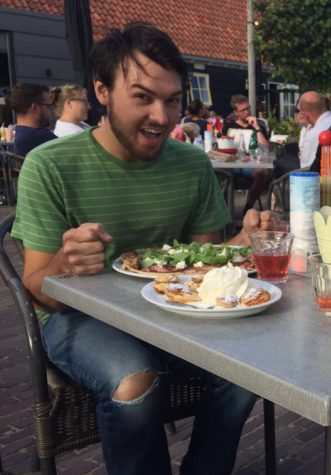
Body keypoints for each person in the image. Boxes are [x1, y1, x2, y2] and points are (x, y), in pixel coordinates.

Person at [11, 23, 269, 475]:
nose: (161, 116)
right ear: (102, 91)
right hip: (78, 318)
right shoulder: (49, 165)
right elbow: (38, 290)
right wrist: (63, 264)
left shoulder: (190, 162)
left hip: (173, 310)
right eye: (143, 97)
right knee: (137, 382)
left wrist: (240, 245)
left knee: (248, 372)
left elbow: (198, 265)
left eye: (172, 100)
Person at [223, 94, 271, 214]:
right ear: (236, 112)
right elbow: (222, 145)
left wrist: (256, 127)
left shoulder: (258, 126)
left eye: (248, 108)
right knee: (217, 174)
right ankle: (224, 211)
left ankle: (248, 207)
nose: (247, 112)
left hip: (250, 164)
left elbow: (266, 147)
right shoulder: (229, 126)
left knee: (263, 172)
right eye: (243, 110)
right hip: (232, 163)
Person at [9, 82, 57, 155]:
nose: (52, 110)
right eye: (49, 106)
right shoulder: (43, 138)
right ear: (35, 108)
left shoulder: (19, 133)